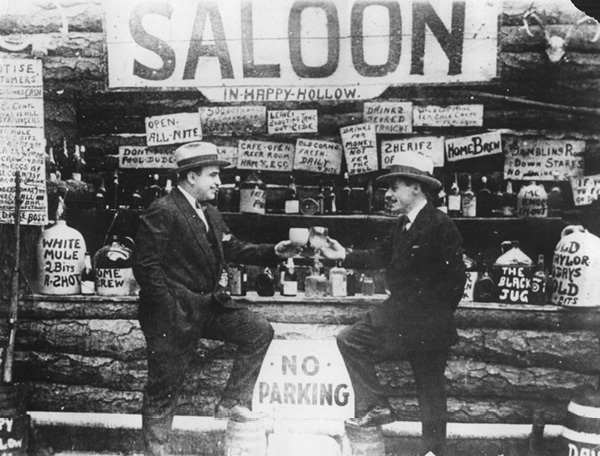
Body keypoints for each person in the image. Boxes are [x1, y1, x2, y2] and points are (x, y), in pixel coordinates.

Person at [133, 141, 299, 456]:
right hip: (171, 316)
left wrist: (273, 252)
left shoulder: (209, 212)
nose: (219, 183)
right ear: (191, 176)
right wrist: (168, 308)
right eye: (212, 175)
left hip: (207, 308)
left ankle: (233, 401)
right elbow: (146, 266)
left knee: (258, 329)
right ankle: (157, 452)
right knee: (163, 390)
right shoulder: (163, 210)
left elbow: (233, 248)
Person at [320, 152, 466, 456]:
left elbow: (455, 283)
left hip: (428, 325)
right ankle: (376, 405)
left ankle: (434, 453)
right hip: (400, 318)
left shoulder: (441, 225)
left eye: (394, 187)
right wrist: (343, 255)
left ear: (416, 188)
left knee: (430, 393)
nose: (388, 195)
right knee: (350, 340)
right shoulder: (401, 226)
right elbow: (379, 256)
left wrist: (428, 316)